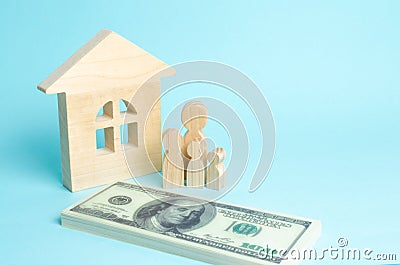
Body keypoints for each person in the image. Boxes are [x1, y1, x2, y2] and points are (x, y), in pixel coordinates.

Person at [135, 198, 206, 234]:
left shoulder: (177, 236)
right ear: (161, 209)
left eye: (195, 214)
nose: (186, 215)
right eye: (181, 209)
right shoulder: (138, 221)